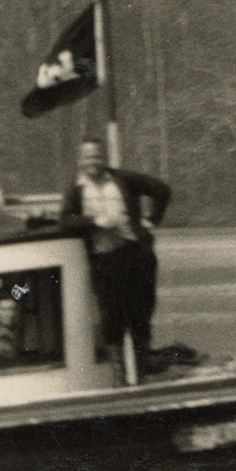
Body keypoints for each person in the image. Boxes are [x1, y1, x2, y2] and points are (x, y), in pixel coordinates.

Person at [58, 140, 173, 378]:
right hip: (104, 259)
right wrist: (93, 222)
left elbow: (162, 190)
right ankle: (119, 378)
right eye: (88, 158)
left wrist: (151, 221)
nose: (93, 162)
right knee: (111, 317)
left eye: (97, 157)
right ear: (80, 161)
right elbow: (66, 220)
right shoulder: (76, 189)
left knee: (140, 314)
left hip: (136, 254)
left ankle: (142, 373)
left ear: (105, 158)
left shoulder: (123, 179)